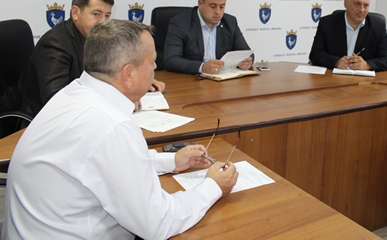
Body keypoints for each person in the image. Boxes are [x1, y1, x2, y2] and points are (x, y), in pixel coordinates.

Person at [3, 20, 238, 239]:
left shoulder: (74, 92)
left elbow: (107, 163)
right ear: (128, 74)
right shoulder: (111, 126)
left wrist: (171, 161)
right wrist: (213, 186)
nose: (156, 67)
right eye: (152, 62)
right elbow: (158, 223)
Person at [20, 0, 164, 117]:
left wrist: (137, 78)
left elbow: (104, 75)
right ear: (75, 12)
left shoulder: (98, 39)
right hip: (49, 122)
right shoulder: (54, 44)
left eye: (107, 16)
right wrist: (119, 99)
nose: (103, 22)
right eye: (96, 14)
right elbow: (56, 100)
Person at [164, 0, 253, 74]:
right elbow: (171, 60)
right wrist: (202, 67)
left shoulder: (230, 22)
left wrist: (246, 61)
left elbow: (247, 53)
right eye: (213, 6)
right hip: (191, 78)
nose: (218, 12)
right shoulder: (180, 23)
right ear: (200, 4)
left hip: (221, 77)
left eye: (222, 7)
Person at [309, 0, 387, 72]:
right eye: (357, 4)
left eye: (366, 5)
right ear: (346, 3)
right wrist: (336, 62)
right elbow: (315, 54)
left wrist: (367, 65)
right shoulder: (327, 23)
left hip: (364, 79)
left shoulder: (377, 26)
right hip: (334, 77)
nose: (362, 10)